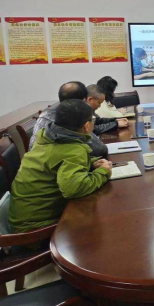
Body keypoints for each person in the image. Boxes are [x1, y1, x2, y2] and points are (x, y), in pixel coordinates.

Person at [9, 100, 113, 233]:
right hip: (35, 229)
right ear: (87, 126)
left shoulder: (47, 136)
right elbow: (74, 189)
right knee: (103, 222)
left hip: (21, 220)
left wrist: (91, 163)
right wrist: (103, 172)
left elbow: (56, 161)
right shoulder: (73, 149)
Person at [29, 82, 108, 158]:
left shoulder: (47, 112)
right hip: (53, 164)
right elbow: (99, 150)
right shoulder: (71, 116)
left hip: (37, 160)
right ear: (83, 101)